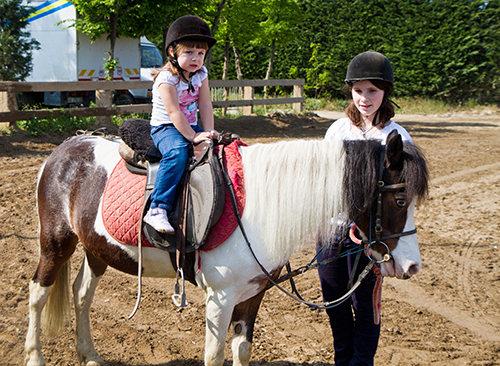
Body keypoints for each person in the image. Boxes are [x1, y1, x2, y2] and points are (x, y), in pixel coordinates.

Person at [317, 50, 413, 366]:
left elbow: (401, 196)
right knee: (335, 303)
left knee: (365, 304)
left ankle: (362, 363)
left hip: (370, 237)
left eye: (372, 90)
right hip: (330, 231)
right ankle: (342, 360)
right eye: (358, 90)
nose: (364, 98)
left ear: (385, 92)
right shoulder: (337, 130)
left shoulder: (396, 137)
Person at [144, 15, 219, 234]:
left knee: (217, 149)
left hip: (190, 125)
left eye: (201, 53)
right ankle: (158, 208)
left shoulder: (201, 74)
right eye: (189, 52)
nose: (196, 58)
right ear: (172, 52)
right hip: (166, 127)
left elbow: (205, 104)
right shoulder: (166, 79)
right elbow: (174, 112)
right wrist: (193, 136)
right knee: (177, 152)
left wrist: (207, 131)